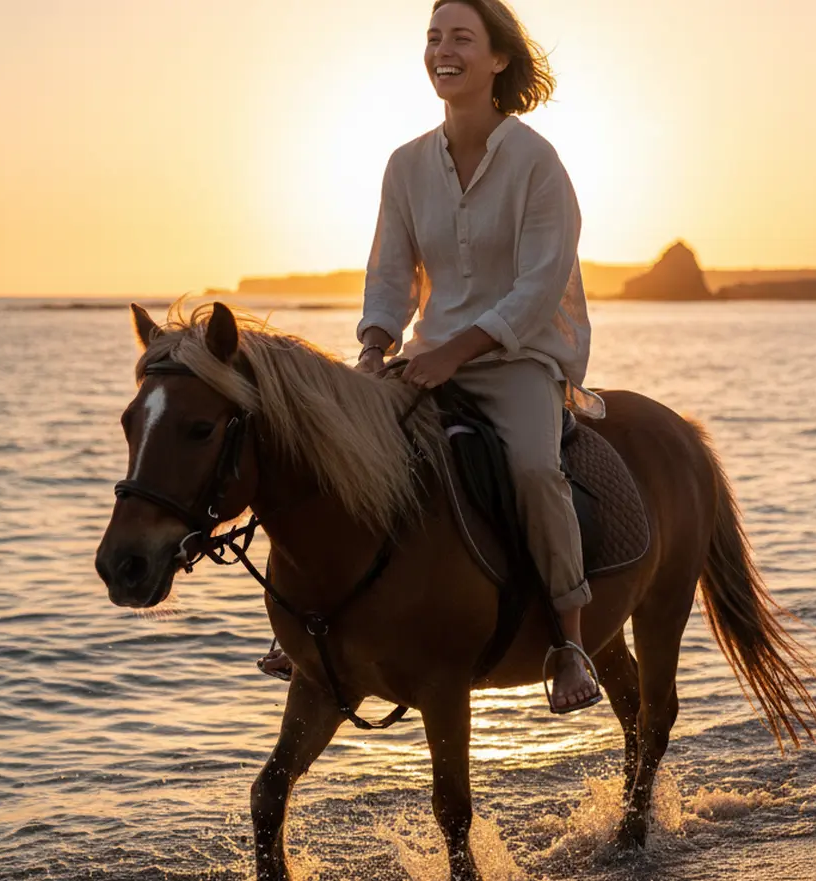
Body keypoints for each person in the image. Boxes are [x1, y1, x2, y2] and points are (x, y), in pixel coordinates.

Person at [259, 0, 604, 713]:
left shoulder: (538, 162)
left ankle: (568, 637)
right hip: (423, 356)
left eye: (461, 39)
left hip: (520, 359)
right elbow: (391, 274)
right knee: (331, 453)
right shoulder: (406, 165)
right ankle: (303, 629)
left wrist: (460, 350)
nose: (442, 50)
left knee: (537, 469)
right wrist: (373, 347)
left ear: (498, 59)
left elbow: (541, 284)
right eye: (433, 38)